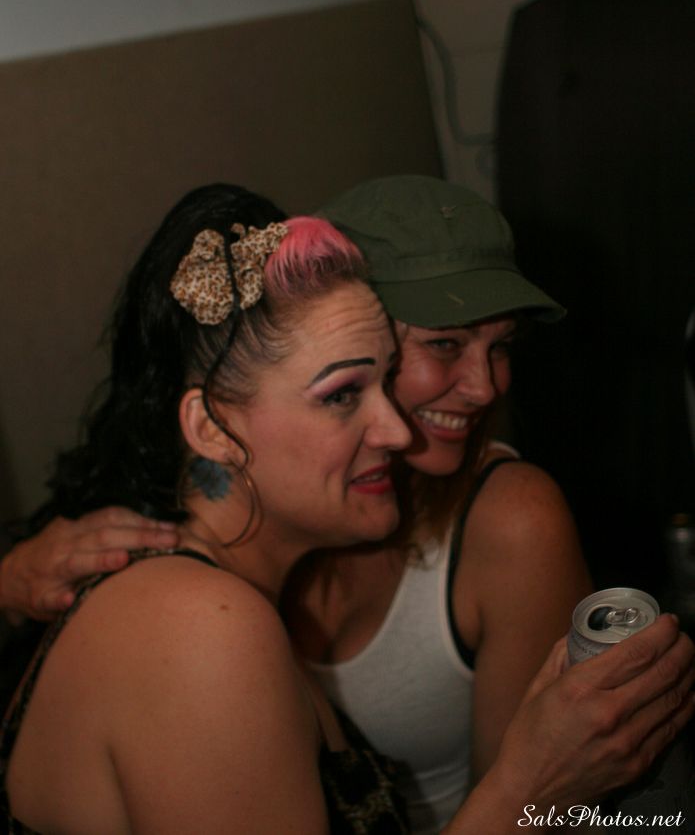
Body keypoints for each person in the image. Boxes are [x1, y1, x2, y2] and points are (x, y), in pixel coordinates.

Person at [2, 181, 695, 833]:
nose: (395, 430)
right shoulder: (200, 628)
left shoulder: (206, 596)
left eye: (383, 381)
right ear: (210, 428)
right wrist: (534, 788)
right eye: (342, 394)